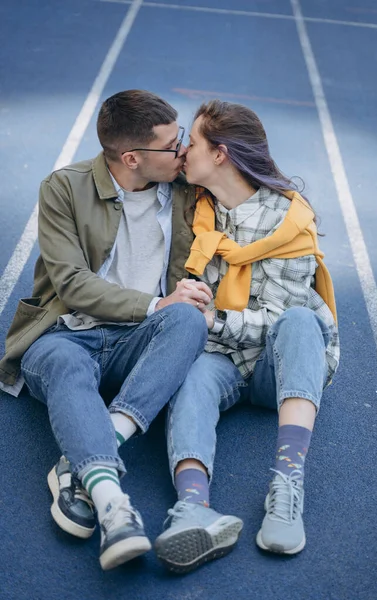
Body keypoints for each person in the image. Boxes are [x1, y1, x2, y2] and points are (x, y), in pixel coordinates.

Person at [0, 90, 213, 570]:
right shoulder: (63, 188)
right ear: (132, 158)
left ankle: (85, 463)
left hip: (139, 344)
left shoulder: (186, 190)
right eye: (171, 143)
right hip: (66, 333)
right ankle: (115, 507)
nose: (182, 150)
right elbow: (72, 285)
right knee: (60, 361)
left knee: (186, 319)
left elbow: (244, 169)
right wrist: (158, 302)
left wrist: (186, 302)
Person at [153, 100, 340, 573]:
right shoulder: (197, 206)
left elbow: (277, 317)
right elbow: (131, 161)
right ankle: (193, 506)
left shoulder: (290, 220)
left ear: (220, 155)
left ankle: (287, 483)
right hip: (222, 358)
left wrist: (213, 319)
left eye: (191, 142)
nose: (181, 151)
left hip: (278, 361)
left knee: (300, 321)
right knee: (192, 376)